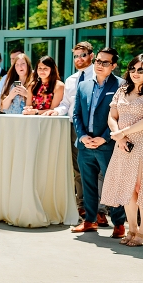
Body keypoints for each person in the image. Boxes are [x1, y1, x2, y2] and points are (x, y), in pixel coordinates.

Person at [101, 54, 143, 246]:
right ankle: (133, 229)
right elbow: (111, 116)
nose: (135, 73)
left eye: (141, 70)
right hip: (123, 146)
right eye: (132, 69)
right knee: (128, 191)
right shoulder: (122, 90)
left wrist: (123, 132)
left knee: (142, 189)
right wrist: (119, 136)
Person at [70, 48, 126, 238]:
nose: (100, 65)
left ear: (114, 66)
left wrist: (105, 137)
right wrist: (83, 136)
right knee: (88, 185)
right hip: (85, 144)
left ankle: (119, 224)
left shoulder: (121, 86)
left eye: (105, 62)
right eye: (98, 61)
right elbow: (76, 114)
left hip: (108, 144)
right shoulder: (83, 86)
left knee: (113, 183)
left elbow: (122, 117)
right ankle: (90, 221)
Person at [47, 42, 97, 220]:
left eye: (82, 55)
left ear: (91, 55)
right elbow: (66, 104)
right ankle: (82, 205)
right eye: (76, 56)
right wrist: (56, 111)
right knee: (78, 168)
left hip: (95, 128)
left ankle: (101, 210)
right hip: (74, 128)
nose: (79, 59)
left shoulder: (99, 76)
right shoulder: (71, 80)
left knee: (97, 168)